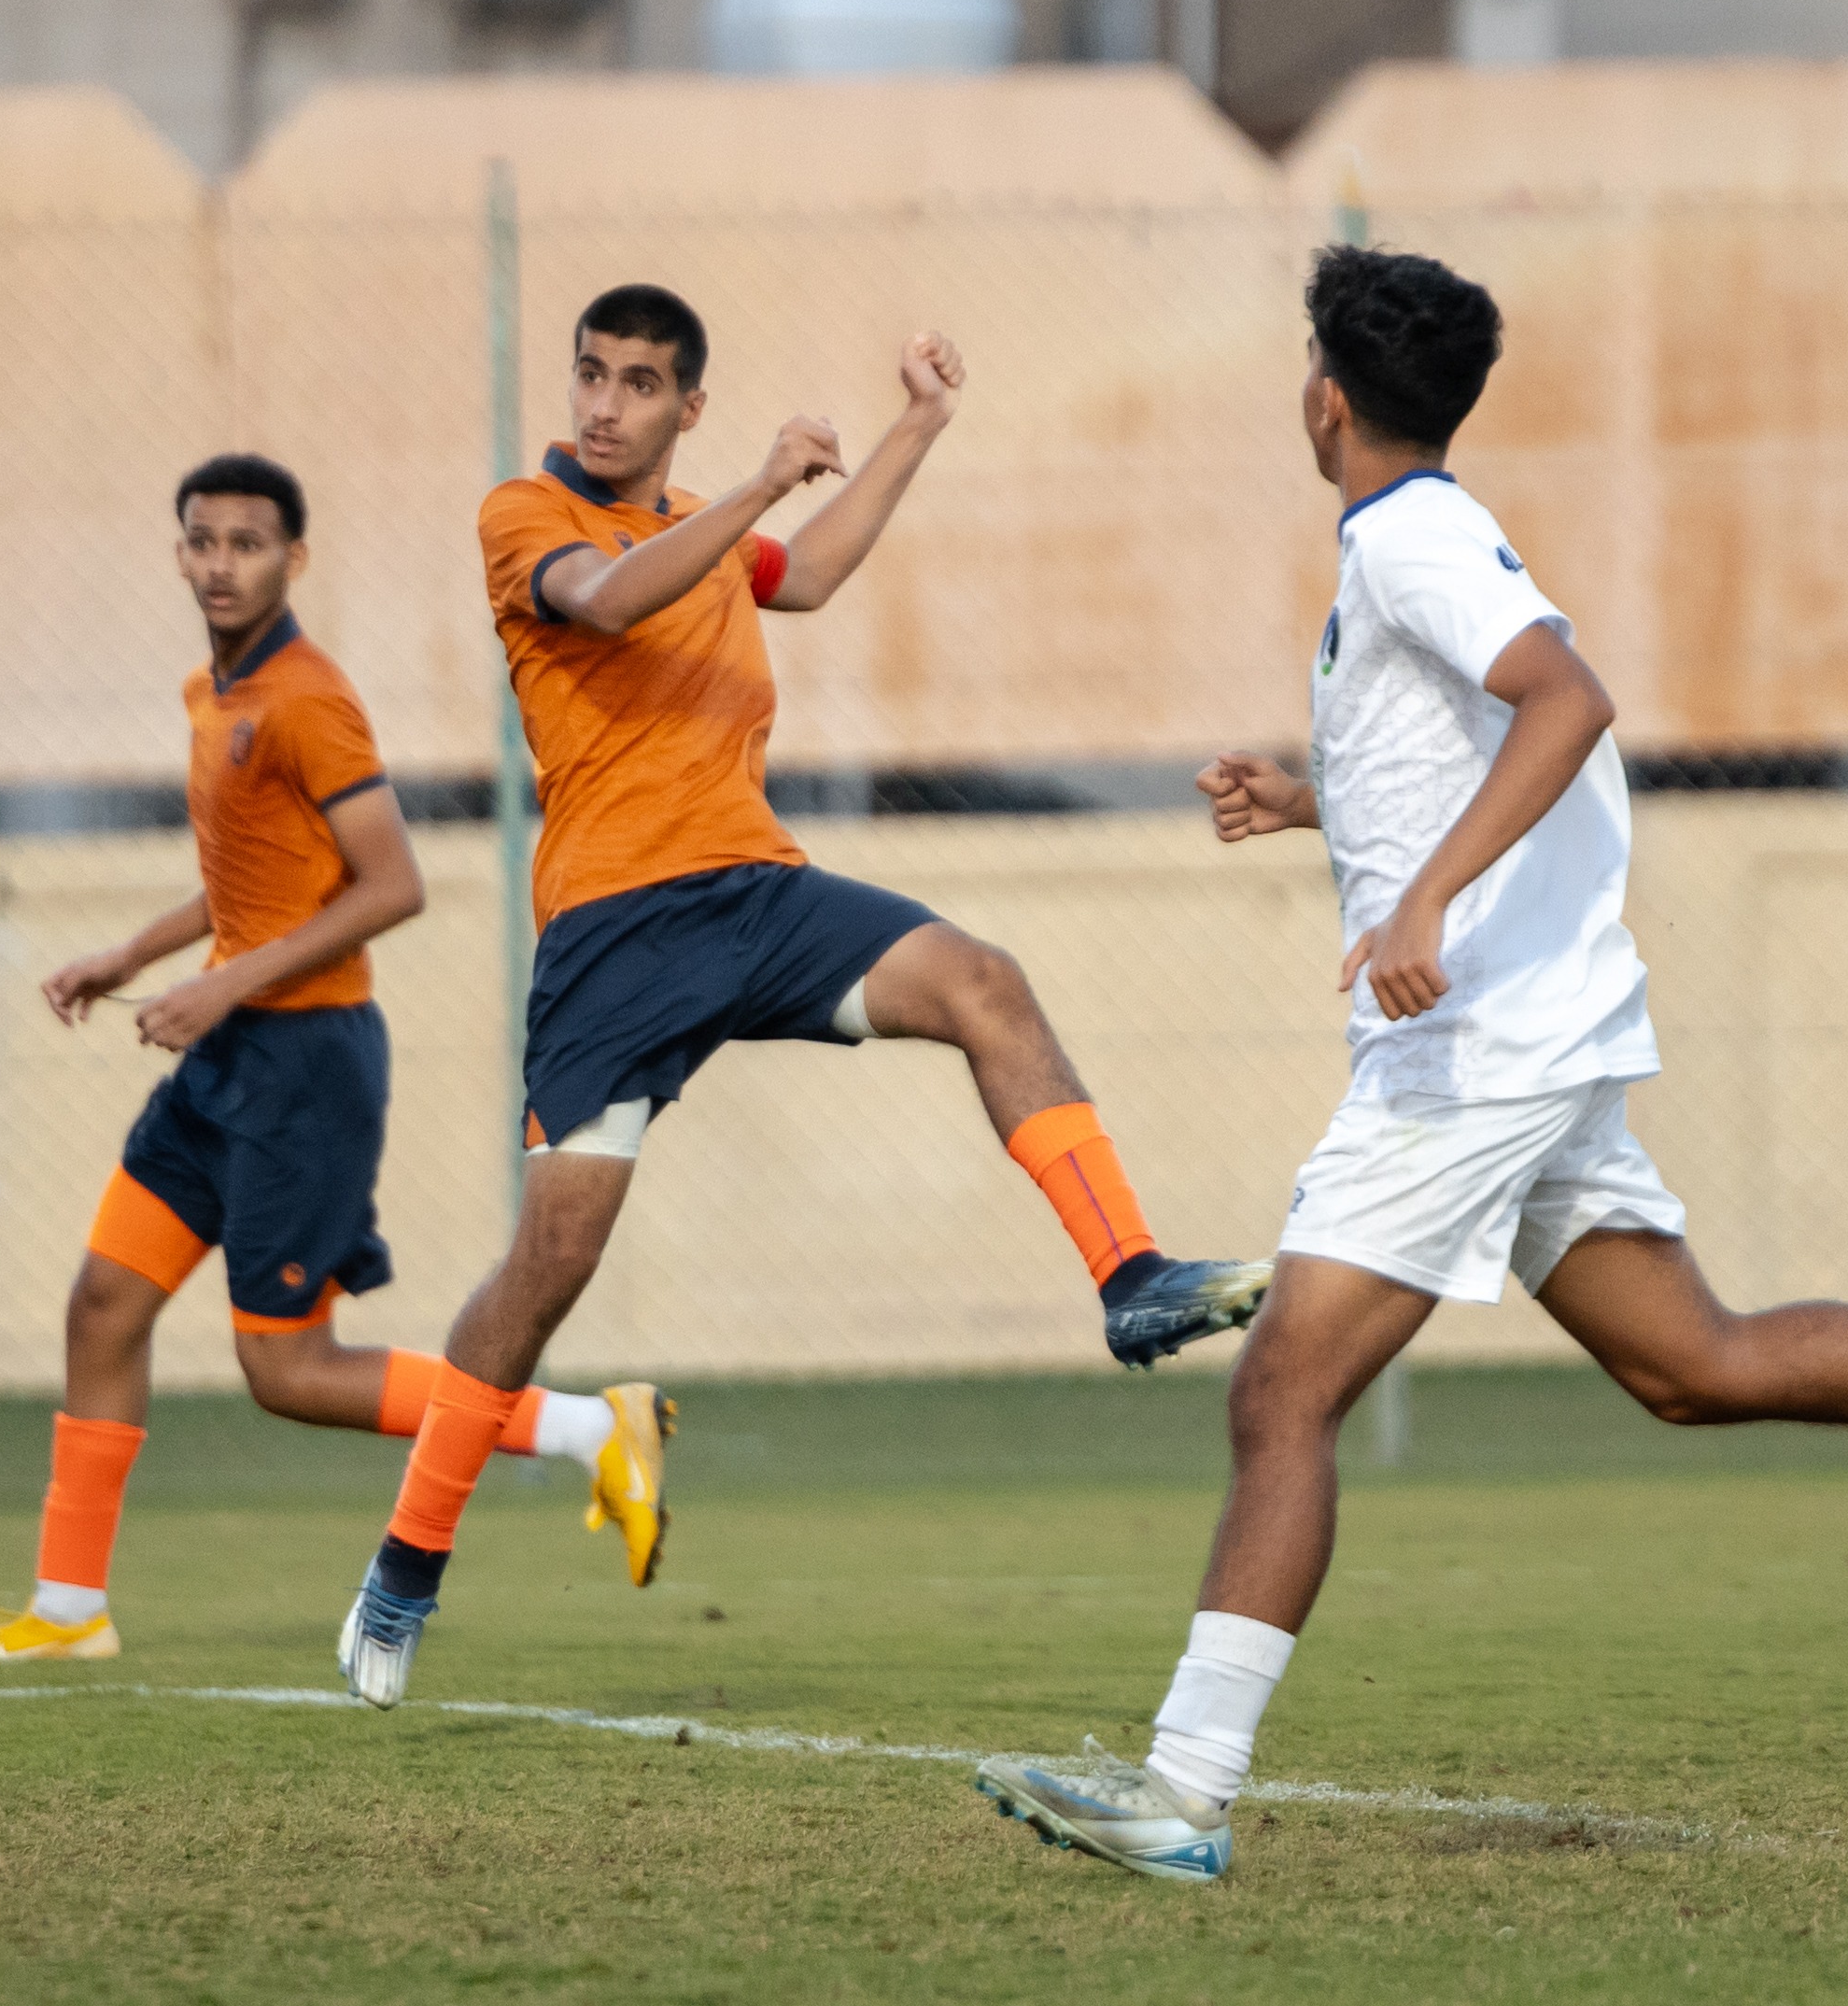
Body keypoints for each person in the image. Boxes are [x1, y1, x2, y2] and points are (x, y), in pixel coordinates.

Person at [976, 246, 1848, 1880]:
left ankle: (1180, 1788)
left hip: (1473, 1046)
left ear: (1323, 391)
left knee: (1282, 1385)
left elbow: (1562, 700)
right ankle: (1180, 1782)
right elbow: (1466, 744)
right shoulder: (1407, 542)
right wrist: (1316, 806)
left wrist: (1421, 891)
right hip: (1528, 1030)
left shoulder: (1406, 538)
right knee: (1694, 1362)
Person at [336, 286, 1273, 1708]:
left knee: (982, 980)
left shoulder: (706, 522)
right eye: (590, 374)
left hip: (756, 895)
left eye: (638, 384)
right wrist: (761, 483)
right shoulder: (524, 516)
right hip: (613, 936)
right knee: (546, 1274)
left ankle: (1130, 1280)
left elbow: (808, 573)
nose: (602, 403)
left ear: (683, 409)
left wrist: (916, 424)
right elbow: (611, 596)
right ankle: (405, 1566)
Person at [0, 456, 673, 1665]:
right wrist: (133, 950)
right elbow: (255, 881)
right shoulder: (210, 694)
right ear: (178, 554)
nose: (221, 563)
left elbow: (389, 884)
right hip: (229, 1056)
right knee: (103, 1304)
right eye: (203, 541)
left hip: (305, 1063)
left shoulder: (306, 700)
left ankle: (584, 1427)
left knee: (286, 1368)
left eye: (247, 543)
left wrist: (220, 981)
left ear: (294, 559)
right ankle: (69, 1613)